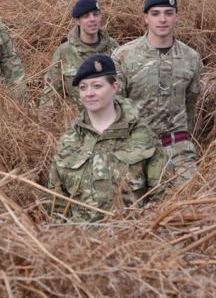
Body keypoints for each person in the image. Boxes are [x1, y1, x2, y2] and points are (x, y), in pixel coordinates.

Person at [48, 55, 167, 222]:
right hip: (80, 242)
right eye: (83, 88)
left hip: (132, 238)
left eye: (97, 86)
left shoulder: (141, 135)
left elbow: (162, 196)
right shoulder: (69, 141)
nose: (89, 93)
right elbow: (56, 205)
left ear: (115, 86)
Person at [112, 0, 201, 184]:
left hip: (178, 151)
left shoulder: (191, 58)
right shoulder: (123, 56)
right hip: (136, 149)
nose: (162, 19)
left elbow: (190, 104)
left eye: (169, 13)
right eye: (155, 13)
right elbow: (116, 108)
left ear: (176, 16)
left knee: (189, 203)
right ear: (145, 18)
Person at [40, 0, 118, 107]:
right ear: (77, 21)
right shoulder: (64, 52)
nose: (92, 19)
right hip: (77, 119)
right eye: (86, 16)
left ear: (100, 16)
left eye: (95, 14)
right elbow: (51, 93)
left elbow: (123, 87)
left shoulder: (113, 47)